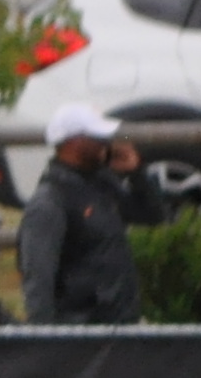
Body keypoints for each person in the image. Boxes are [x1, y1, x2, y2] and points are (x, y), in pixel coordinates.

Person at [18, 101, 148, 325]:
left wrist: (137, 174)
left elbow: (152, 217)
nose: (105, 144)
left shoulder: (102, 182)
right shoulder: (50, 201)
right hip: (83, 331)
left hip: (119, 323)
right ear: (75, 142)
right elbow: (38, 279)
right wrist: (46, 341)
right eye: (97, 137)